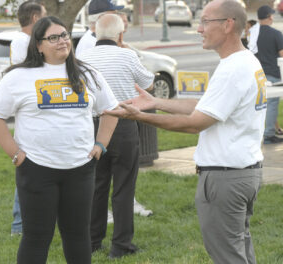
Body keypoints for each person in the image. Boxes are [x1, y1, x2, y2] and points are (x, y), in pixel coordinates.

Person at [105, 1, 265, 263]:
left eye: (205, 22)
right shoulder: (244, 60)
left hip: (226, 179)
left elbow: (195, 123)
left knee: (227, 256)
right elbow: (206, 107)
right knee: (239, 251)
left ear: (228, 25)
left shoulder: (233, 69)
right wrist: (156, 103)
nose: (199, 29)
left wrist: (141, 117)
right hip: (243, 172)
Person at [0, 16, 119, 264]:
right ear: (38, 45)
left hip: (80, 169)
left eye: (65, 35)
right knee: (36, 238)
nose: (62, 41)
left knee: (78, 236)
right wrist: (16, 154)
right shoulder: (19, 77)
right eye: (54, 37)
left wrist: (101, 145)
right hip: (36, 169)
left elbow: (110, 110)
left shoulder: (88, 74)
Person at [78, 13, 154, 259]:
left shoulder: (81, 58)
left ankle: (92, 239)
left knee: (97, 184)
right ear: (121, 35)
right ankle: (121, 245)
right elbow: (148, 83)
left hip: (91, 126)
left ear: (95, 32)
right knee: (123, 186)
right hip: (123, 123)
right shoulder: (127, 55)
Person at [9, 0, 47, 236]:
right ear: (35, 18)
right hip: (30, 113)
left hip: (34, 112)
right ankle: (19, 225)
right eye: (44, 16)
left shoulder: (22, 41)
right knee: (27, 170)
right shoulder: (24, 42)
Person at [255, 5, 283, 144]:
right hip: (273, 74)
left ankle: (262, 132)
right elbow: (282, 55)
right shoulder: (276, 34)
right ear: (269, 16)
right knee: (272, 103)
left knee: (259, 105)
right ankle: (269, 134)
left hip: (258, 75)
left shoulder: (253, 34)